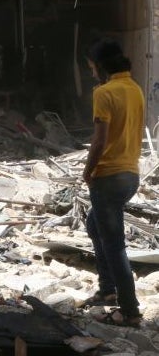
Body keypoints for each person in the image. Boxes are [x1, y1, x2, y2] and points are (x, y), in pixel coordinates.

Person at [82, 38, 144, 327]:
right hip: (130, 175)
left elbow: (99, 140)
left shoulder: (104, 92)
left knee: (114, 244)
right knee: (94, 225)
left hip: (107, 176)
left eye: (93, 67)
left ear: (101, 66)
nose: (92, 72)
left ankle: (129, 311)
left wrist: (88, 170)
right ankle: (107, 291)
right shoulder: (135, 89)